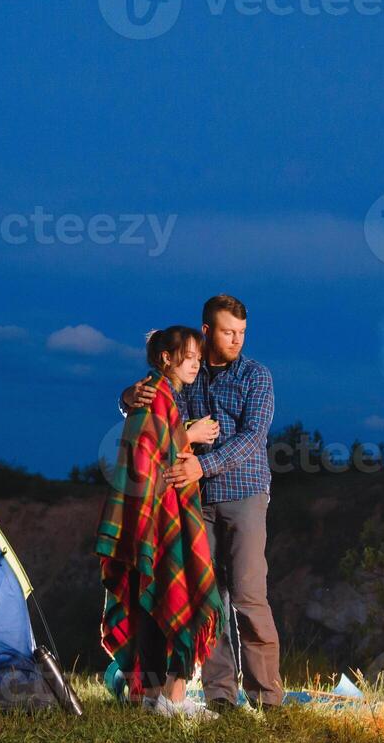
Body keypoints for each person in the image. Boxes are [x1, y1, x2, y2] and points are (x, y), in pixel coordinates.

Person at [120, 294, 283, 711]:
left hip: (244, 494)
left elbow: (252, 439)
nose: (237, 340)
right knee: (208, 599)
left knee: (248, 595)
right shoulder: (188, 370)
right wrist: (126, 398)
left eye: (242, 333)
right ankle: (221, 697)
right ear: (208, 331)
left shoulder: (256, 376)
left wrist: (202, 466)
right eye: (229, 332)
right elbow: (157, 410)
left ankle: (268, 698)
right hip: (194, 503)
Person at [96, 325, 223, 718]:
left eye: (199, 358)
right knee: (173, 593)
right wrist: (191, 436)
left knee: (150, 598)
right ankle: (172, 697)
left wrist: (183, 436)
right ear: (166, 357)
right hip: (162, 515)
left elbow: (153, 451)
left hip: (149, 518)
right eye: (190, 356)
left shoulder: (160, 394)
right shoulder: (154, 395)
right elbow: (153, 458)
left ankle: (154, 695)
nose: (196, 363)